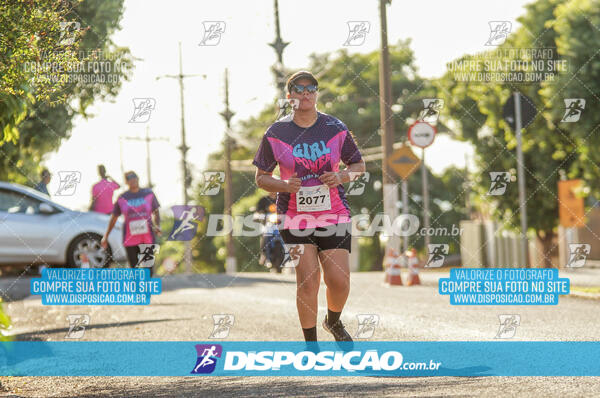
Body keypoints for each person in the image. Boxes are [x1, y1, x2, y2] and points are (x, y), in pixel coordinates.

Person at [253, 70, 366, 345]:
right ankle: (311, 345)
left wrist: (340, 177)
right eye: (299, 88)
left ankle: (333, 321)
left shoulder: (335, 128)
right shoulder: (277, 132)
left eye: (311, 88)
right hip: (294, 216)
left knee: (339, 281)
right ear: (289, 96)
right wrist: (284, 185)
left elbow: (358, 167)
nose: (305, 93)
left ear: (317, 93)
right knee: (308, 280)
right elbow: (261, 178)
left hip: (333, 212)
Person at [101, 171, 161, 275]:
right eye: (129, 178)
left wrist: (157, 226)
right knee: (134, 269)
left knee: (148, 268)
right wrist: (106, 236)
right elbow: (114, 217)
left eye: (134, 176)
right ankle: (137, 290)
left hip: (147, 237)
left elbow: (156, 211)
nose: (132, 179)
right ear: (126, 182)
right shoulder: (122, 197)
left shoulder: (148, 193)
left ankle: (147, 290)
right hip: (130, 239)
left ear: (138, 178)